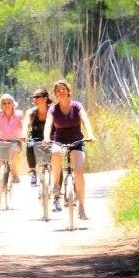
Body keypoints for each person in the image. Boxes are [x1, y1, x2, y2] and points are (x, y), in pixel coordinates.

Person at [43, 80, 95, 218]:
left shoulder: (77, 106)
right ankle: (55, 184)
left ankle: (82, 207)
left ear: (68, 90)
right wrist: (46, 137)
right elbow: (48, 125)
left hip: (77, 140)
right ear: (55, 94)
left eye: (63, 89)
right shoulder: (53, 109)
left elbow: (85, 120)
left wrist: (90, 134)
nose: (61, 91)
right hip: (59, 140)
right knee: (55, 152)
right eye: (58, 90)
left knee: (78, 173)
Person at [0, 93, 24, 200]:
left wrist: (23, 135)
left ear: (13, 104)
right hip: (1, 141)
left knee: (13, 151)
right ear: (1, 105)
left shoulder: (19, 114)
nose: (6, 105)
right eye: (4, 103)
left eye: (9, 102)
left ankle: (15, 175)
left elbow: (23, 126)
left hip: (15, 141)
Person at [21, 88, 51, 187]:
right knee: (30, 146)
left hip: (51, 138)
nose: (34, 99)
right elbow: (25, 124)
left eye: (37, 97)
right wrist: (24, 135)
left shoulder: (52, 110)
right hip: (36, 138)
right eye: (33, 97)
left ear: (45, 98)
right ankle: (33, 171)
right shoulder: (31, 112)